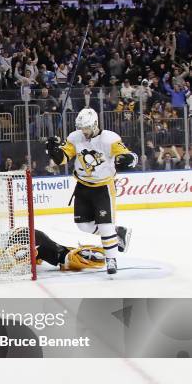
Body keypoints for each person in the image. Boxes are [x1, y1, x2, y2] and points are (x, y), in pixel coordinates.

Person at [45, 107, 137, 275]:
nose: (84, 131)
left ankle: (111, 259)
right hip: (82, 186)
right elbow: (63, 158)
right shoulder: (75, 137)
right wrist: (53, 150)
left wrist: (128, 159)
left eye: (86, 128)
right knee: (83, 226)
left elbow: (127, 154)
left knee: (105, 226)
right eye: (81, 128)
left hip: (103, 188)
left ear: (95, 124)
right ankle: (118, 233)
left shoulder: (110, 138)